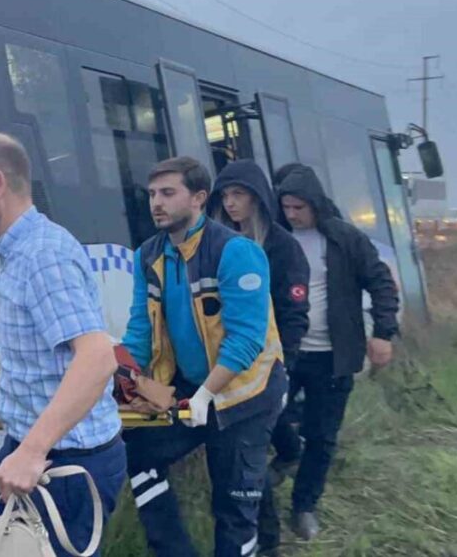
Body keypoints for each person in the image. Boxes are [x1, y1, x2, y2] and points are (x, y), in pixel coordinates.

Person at [0, 132, 126, 557]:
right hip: (25, 449)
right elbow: (22, 331)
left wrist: (32, 453)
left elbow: (97, 358)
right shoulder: (15, 251)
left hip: (68, 465)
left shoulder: (43, 256)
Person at [122, 156, 287, 557]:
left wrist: (204, 396)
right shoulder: (148, 255)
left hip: (247, 395)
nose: (156, 203)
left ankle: (261, 543)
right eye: (151, 194)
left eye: (167, 193)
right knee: (136, 451)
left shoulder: (236, 252)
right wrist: (122, 377)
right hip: (192, 387)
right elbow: (139, 333)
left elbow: (247, 341)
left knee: (232, 509)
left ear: (198, 198)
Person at [276, 164, 399, 541]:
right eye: (286, 207)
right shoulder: (277, 240)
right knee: (269, 414)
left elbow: (381, 283)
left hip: (334, 355)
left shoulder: (345, 238)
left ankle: (304, 506)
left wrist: (383, 333)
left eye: (299, 207)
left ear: (315, 203)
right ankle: (288, 451)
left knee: (322, 435)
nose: (292, 214)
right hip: (287, 351)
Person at [208, 159, 311, 554]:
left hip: (268, 373)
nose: (231, 204)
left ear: (258, 198)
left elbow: (293, 315)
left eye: (240, 195)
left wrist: (284, 368)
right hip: (228, 370)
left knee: (249, 459)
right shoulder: (218, 245)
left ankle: (266, 541)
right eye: (226, 196)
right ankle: (263, 537)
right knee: (245, 462)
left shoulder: (284, 248)